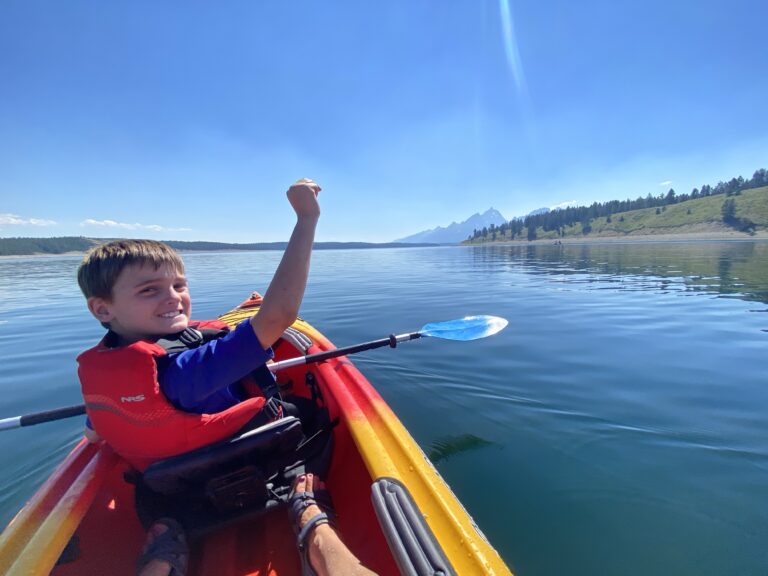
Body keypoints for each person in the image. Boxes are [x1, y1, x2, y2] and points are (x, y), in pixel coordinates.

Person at [75, 179, 376, 575]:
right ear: (103, 308)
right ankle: (313, 526)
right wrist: (306, 219)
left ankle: (164, 554)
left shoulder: (104, 368)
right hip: (261, 462)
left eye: (179, 285)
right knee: (304, 413)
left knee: (156, 506)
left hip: (177, 490)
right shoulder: (187, 369)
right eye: (150, 290)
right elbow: (277, 316)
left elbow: (95, 432)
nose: (173, 297)